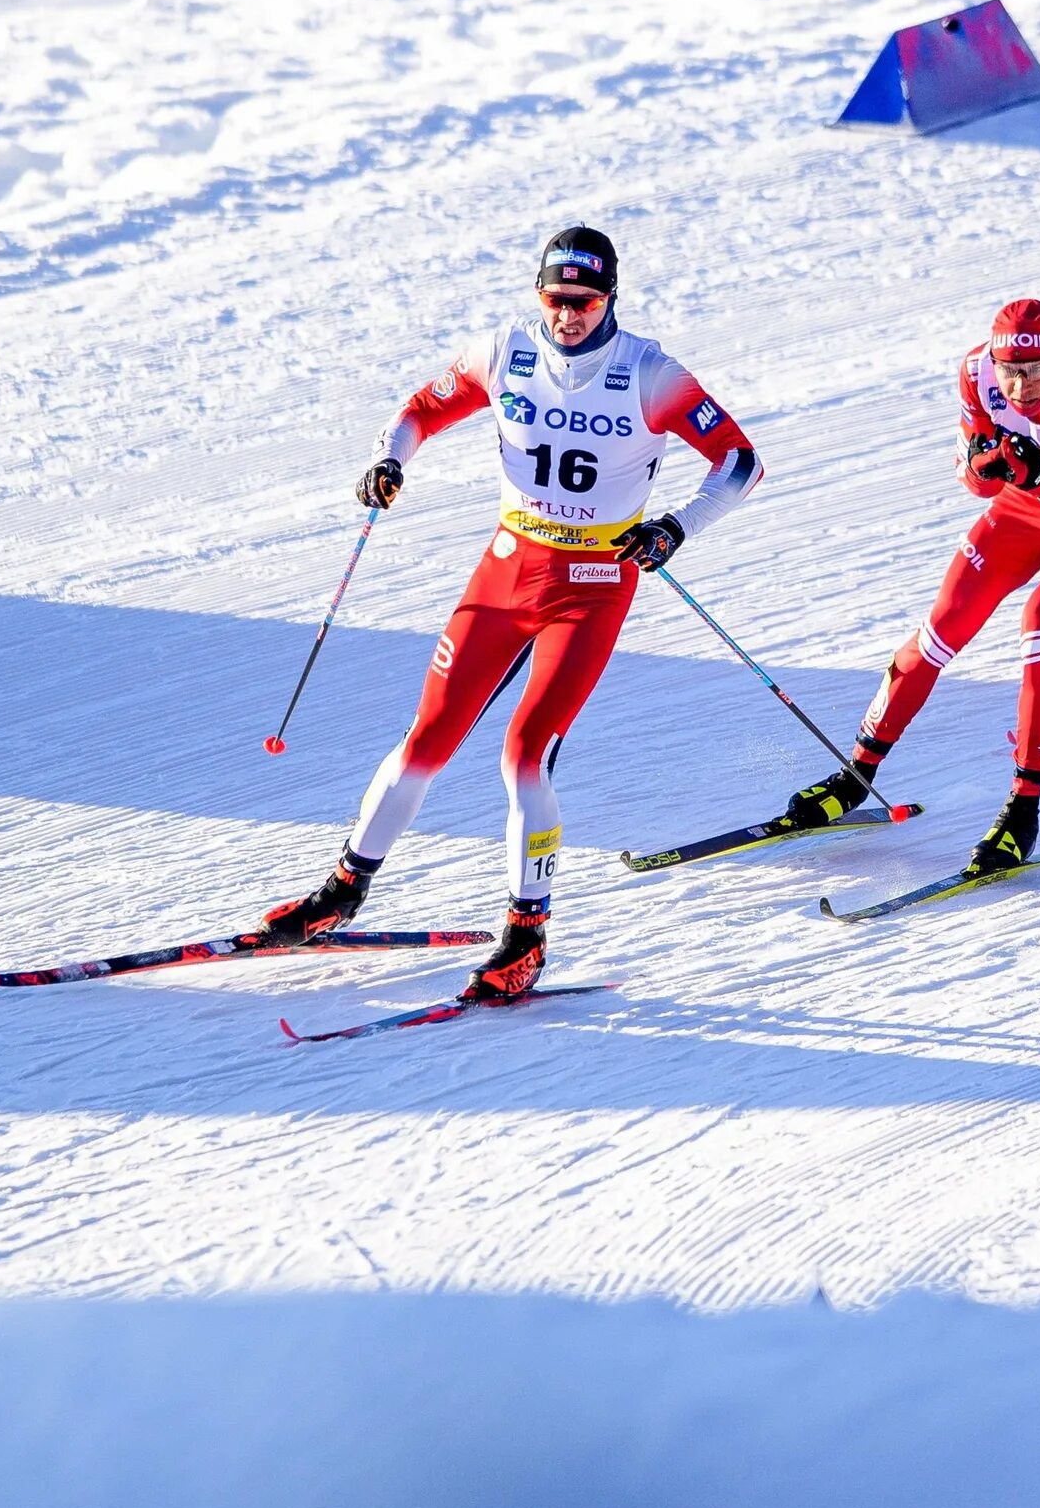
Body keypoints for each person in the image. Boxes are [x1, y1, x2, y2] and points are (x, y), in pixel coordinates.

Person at [259, 225, 762, 997]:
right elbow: (418, 413)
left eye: (585, 304)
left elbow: (740, 461)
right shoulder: (504, 352)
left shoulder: (649, 373)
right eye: (556, 300)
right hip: (507, 566)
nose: (568, 317)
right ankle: (343, 892)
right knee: (427, 734)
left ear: (610, 300)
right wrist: (389, 460)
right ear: (539, 294)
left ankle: (526, 935)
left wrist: (675, 527)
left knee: (525, 752)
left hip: (592, 580)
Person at [782, 298, 1040, 876]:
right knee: (943, 625)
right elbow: (973, 480)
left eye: (1037, 371)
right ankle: (856, 774)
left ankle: (1023, 808)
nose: (1022, 385)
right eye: (1012, 370)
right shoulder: (977, 373)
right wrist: (992, 469)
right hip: (1029, 502)